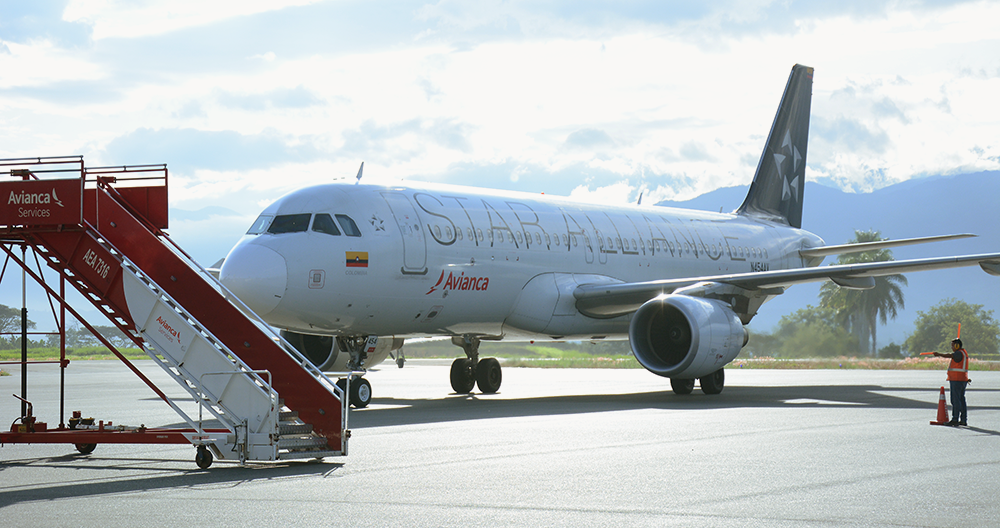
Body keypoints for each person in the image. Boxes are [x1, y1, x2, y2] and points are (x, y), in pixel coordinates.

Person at [933, 339, 969, 426]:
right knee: (961, 400)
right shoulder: (963, 352)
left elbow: (950, 355)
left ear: (957, 346)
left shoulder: (958, 353)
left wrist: (939, 354)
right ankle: (963, 420)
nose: (952, 348)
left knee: (955, 400)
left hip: (956, 379)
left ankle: (955, 419)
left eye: (953, 346)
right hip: (962, 379)